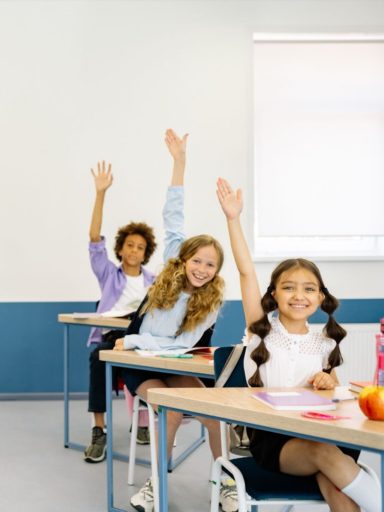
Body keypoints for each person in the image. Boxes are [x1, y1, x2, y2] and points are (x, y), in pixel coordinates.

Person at [217, 177, 381, 512]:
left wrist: (328, 383)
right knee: (324, 455)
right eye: (288, 287)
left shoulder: (324, 343)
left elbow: (333, 395)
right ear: (274, 295)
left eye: (308, 289)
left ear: (320, 298)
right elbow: (247, 273)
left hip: (322, 433)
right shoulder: (261, 330)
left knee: (335, 484)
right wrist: (233, 219)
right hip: (276, 441)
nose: (298, 295)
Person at [113, 130, 231, 512]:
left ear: (216, 271)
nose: (201, 268)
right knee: (174, 410)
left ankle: (225, 482)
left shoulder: (212, 299)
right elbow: (173, 216)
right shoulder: (170, 271)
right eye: (196, 260)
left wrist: (134, 341)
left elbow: (181, 347)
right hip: (140, 365)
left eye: (210, 264)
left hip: (165, 357)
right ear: (184, 259)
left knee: (216, 413)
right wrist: (179, 163)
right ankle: (155, 485)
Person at [84, 160, 157, 463]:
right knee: (97, 357)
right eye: (129, 245)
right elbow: (93, 240)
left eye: (139, 247)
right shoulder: (108, 274)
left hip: (140, 339)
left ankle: (142, 423)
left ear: (145, 252)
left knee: (148, 362)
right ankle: (99, 431)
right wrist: (100, 194)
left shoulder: (154, 282)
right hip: (111, 336)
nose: (133, 251)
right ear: (121, 248)